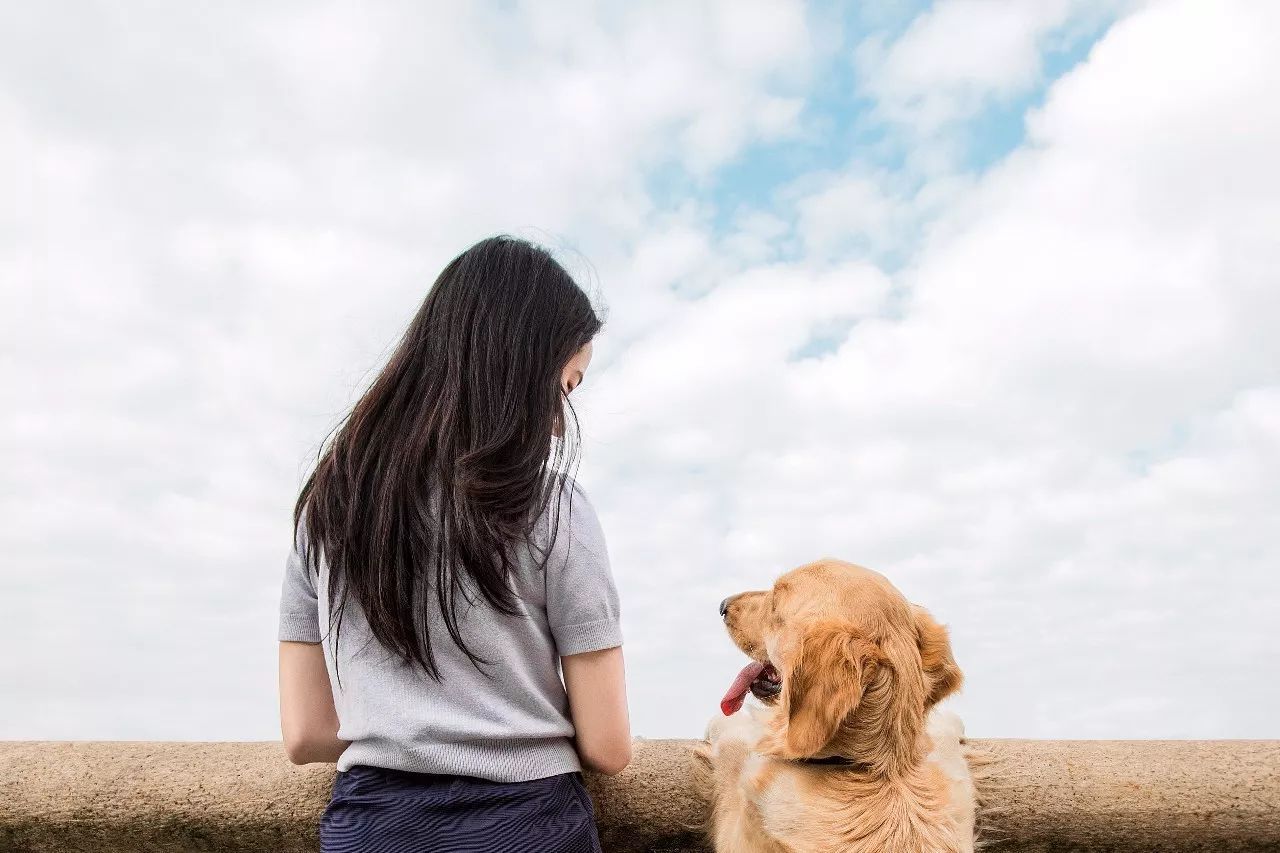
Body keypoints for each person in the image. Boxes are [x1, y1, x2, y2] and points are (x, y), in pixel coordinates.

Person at [277, 235, 630, 853]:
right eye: (565, 387)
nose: (559, 418)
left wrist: (406, 726)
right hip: (528, 830)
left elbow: (306, 734)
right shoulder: (554, 507)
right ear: (520, 372)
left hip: (373, 831)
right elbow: (608, 745)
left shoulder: (330, 506)